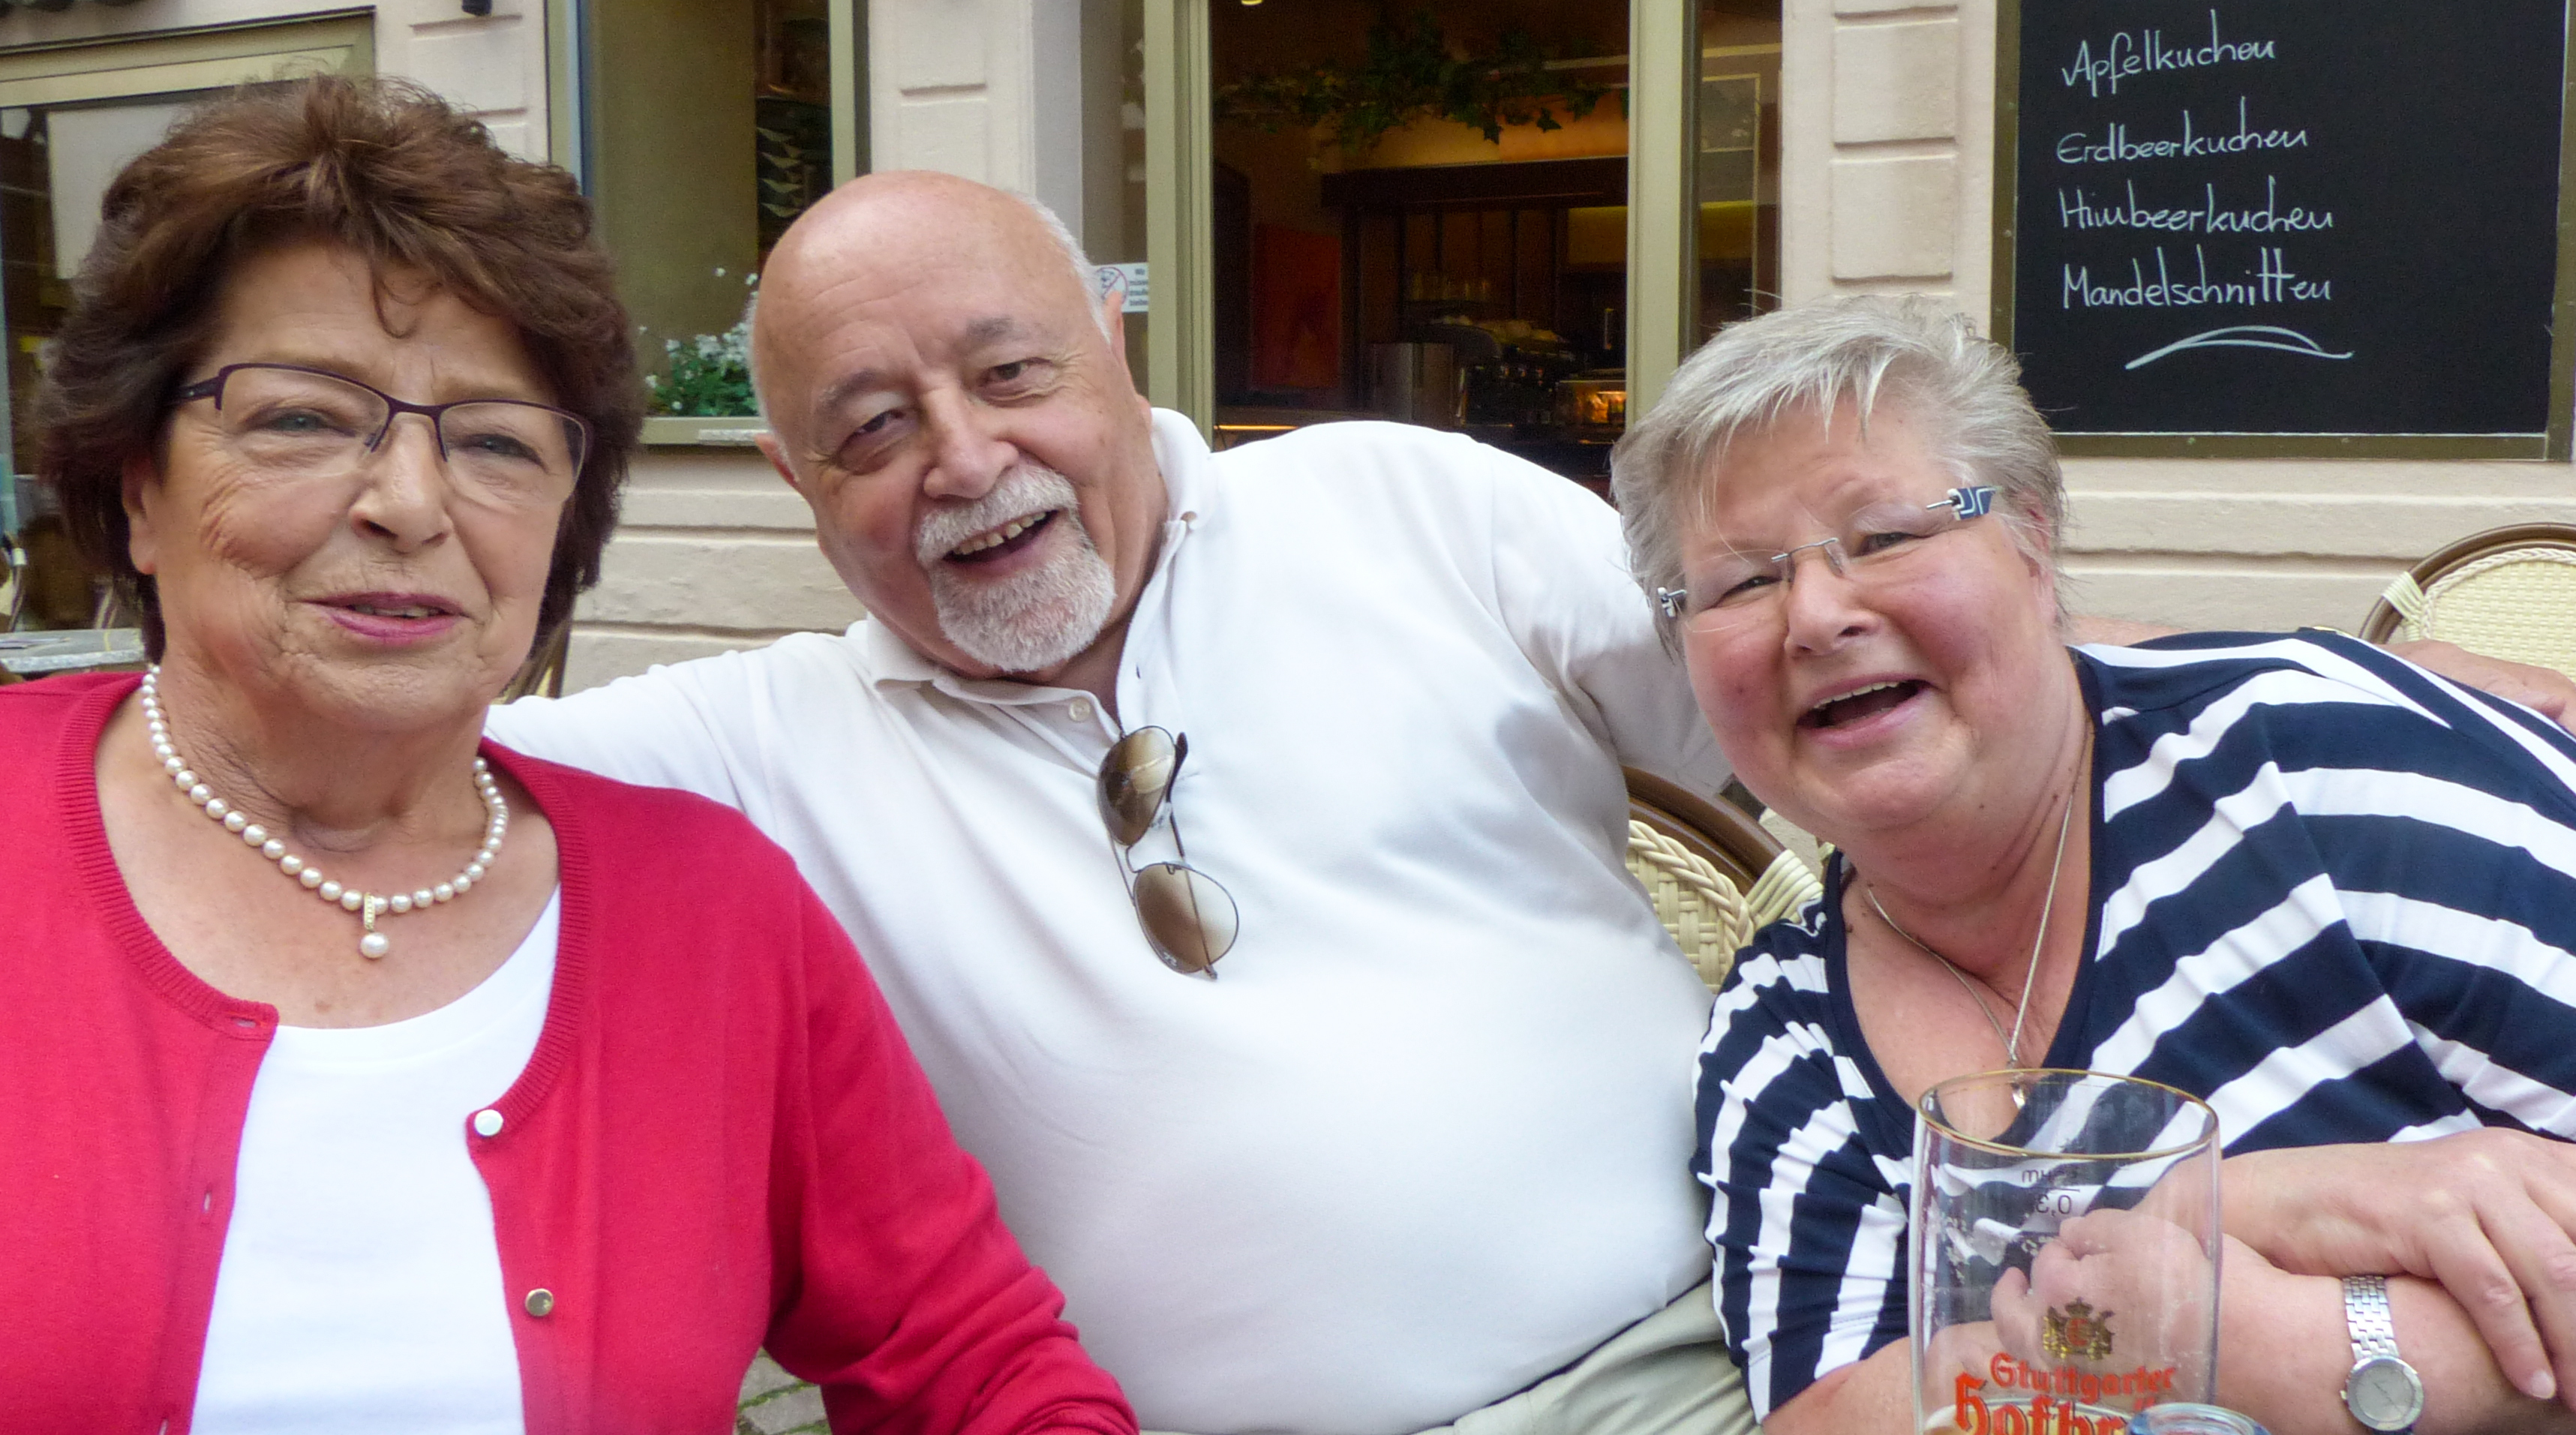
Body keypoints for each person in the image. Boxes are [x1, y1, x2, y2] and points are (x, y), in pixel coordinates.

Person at [0, 80, 1133, 1435]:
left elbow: (978, 1365)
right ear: (137, 485)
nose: (411, 504)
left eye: (493, 442)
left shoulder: (712, 912)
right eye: (302, 418)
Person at [489, 170, 1754, 1435]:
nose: (965, 459)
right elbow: (395, 775)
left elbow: (1798, 703)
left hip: (1710, 1358)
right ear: (794, 478)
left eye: (1009, 373)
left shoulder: (1403, 506)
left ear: (1112, 344)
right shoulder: (751, 750)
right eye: (873, 429)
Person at [1632, 297, 2576, 1435]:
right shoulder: (1783, 1035)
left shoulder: (2322, 768)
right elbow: (1827, 1416)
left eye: (1883, 536)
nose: (1816, 615)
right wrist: (2231, 1227)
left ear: (2033, 547)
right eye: (1741, 583)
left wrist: (2285, 1343)